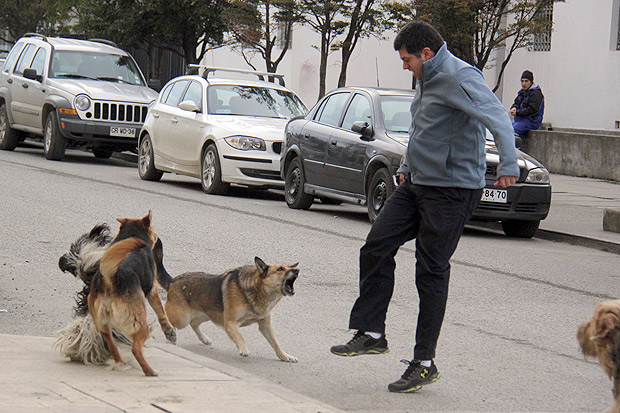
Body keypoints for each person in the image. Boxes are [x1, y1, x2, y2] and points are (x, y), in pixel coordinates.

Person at [329, 21, 519, 393]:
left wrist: (509, 165)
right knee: (376, 245)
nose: (405, 67)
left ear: (426, 54)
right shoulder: (428, 78)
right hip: (417, 183)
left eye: (407, 60)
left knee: (430, 270)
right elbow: (423, 128)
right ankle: (371, 332)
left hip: (451, 189)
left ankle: (424, 362)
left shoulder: (460, 76)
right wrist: (405, 166)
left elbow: (496, 116)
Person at [509, 70, 545, 136]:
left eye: (526, 81)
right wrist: (514, 108)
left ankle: (512, 145)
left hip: (531, 122)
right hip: (519, 120)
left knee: (511, 131)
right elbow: (516, 102)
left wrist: (517, 113)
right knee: (504, 128)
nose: (523, 84)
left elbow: (532, 110)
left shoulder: (536, 94)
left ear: (531, 82)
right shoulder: (522, 92)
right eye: (522, 81)